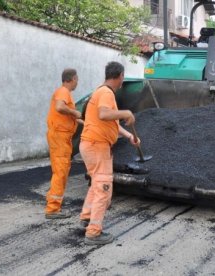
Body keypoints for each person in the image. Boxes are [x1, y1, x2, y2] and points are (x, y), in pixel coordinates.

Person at [79, 62, 139, 245]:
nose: (123, 80)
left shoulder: (101, 92)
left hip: (91, 144)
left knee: (97, 183)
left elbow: (110, 123)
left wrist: (129, 135)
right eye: (123, 77)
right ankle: (93, 233)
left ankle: (86, 217)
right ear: (120, 75)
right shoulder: (106, 92)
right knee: (104, 187)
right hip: (97, 146)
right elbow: (105, 114)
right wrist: (127, 112)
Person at [45, 69, 82, 219]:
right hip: (60, 136)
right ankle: (52, 209)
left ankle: (53, 203)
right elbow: (60, 107)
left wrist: (86, 123)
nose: (77, 82)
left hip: (62, 137)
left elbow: (69, 116)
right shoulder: (63, 92)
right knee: (60, 172)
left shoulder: (65, 94)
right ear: (72, 79)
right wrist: (75, 113)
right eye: (77, 79)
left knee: (62, 170)